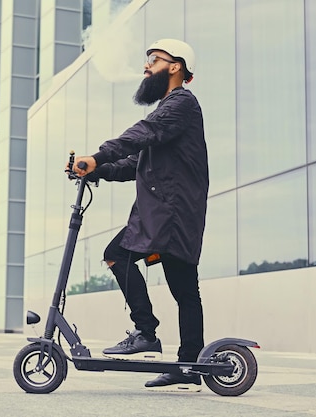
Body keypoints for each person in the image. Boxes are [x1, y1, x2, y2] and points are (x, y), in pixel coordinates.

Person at [70, 39, 209, 391]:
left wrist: (98, 156)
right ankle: (188, 364)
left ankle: (146, 332)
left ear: (175, 66)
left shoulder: (180, 104)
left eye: (154, 59)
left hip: (171, 213)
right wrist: (96, 170)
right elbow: (135, 163)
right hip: (167, 212)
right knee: (184, 291)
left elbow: (142, 134)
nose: (146, 66)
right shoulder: (169, 112)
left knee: (118, 256)